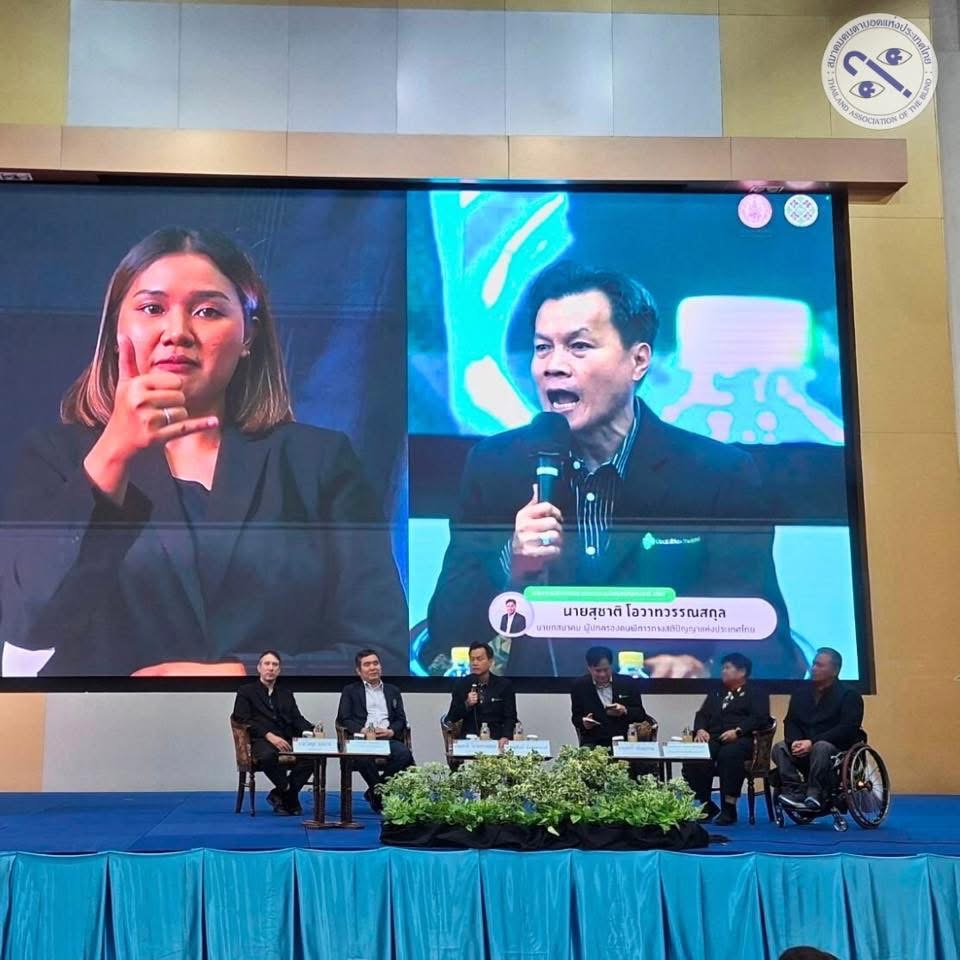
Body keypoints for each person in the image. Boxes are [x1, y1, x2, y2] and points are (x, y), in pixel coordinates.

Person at [0, 226, 407, 677]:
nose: (177, 332)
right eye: (152, 308)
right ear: (117, 328)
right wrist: (113, 450)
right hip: (105, 720)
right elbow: (28, 623)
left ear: (249, 335)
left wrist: (239, 675)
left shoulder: (319, 462)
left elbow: (382, 654)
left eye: (208, 311)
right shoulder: (56, 457)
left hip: (267, 718)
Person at [424, 260, 803, 679]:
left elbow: (766, 642)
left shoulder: (718, 474)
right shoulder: (496, 466)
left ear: (638, 361)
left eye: (578, 346)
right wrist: (512, 562)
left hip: (664, 709)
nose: (552, 366)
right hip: (533, 707)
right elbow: (443, 639)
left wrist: (702, 671)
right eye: (542, 347)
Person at [681, 652, 771, 826]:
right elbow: (702, 714)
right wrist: (700, 729)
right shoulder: (717, 692)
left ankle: (729, 808)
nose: (723, 671)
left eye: (727, 668)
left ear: (742, 671)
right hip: (715, 738)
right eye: (723, 668)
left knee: (729, 755)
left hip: (742, 739)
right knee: (695, 755)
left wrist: (738, 731)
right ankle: (706, 803)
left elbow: (760, 718)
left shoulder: (756, 693)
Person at [773, 647, 864, 812]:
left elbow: (847, 728)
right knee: (779, 748)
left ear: (834, 670)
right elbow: (791, 721)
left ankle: (815, 793)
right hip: (804, 744)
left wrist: (812, 742)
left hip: (835, 748)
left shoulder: (849, 695)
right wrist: (794, 742)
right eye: (814, 664)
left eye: (820, 665)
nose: (814, 668)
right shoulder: (801, 693)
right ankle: (795, 789)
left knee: (821, 747)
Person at [232, 650, 314, 815]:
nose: (270, 668)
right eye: (267, 664)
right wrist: (269, 735)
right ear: (259, 668)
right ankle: (288, 794)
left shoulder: (285, 693)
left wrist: (310, 732)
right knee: (267, 756)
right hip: (260, 740)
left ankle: (280, 795)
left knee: (313, 757)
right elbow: (241, 718)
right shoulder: (246, 691)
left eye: (275, 665)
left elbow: (296, 718)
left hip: (286, 739)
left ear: (279, 670)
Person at [336, 648, 415, 812]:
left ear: (381, 667)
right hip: (363, 739)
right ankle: (378, 795)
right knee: (361, 756)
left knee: (404, 754)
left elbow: (401, 719)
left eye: (375, 663)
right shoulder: (350, 691)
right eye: (367, 665)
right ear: (359, 671)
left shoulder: (393, 691)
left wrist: (391, 731)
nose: (373, 667)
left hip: (387, 738)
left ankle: (375, 791)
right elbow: (344, 719)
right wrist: (362, 730)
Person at [569, 645, 652, 748]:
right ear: (589, 668)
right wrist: (584, 723)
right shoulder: (579, 686)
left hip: (623, 740)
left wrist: (624, 710)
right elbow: (576, 718)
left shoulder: (627, 683)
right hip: (594, 741)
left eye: (606, 669)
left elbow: (640, 714)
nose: (603, 674)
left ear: (611, 666)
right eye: (598, 671)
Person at [445, 642, 517, 748]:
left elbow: (510, 717)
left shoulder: (504, 685)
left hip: (496, 740)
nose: (475, 663)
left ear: (490, 661)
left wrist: (506, 736)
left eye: (479, 659)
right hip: (469, 742)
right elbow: (451, 717)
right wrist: (467, 704)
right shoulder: (461, 684)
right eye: (472, 659)